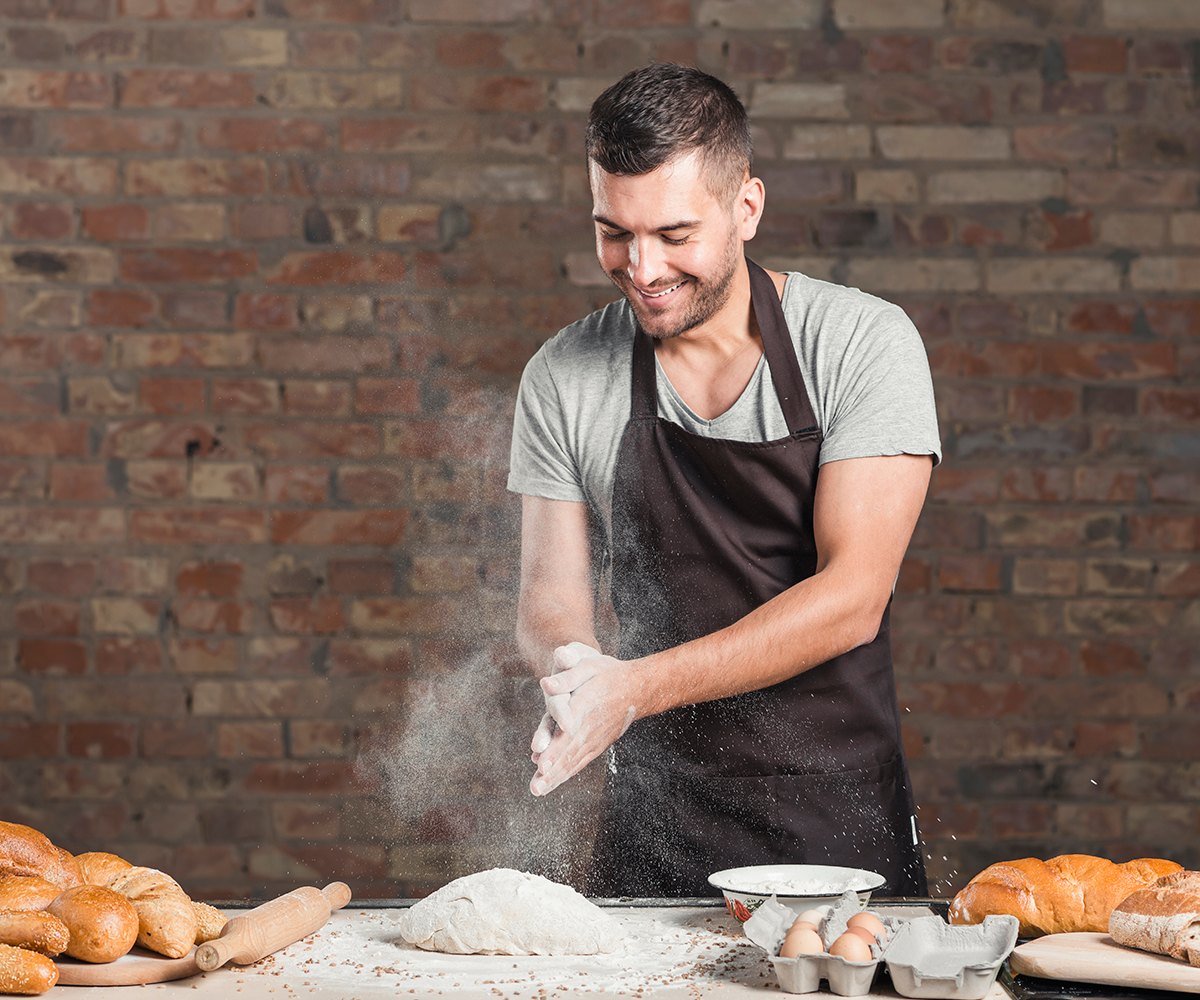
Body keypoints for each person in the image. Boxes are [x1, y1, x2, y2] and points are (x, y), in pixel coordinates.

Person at [507, 63, 941, 899]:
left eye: (674, 235)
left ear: (747, 207)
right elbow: (546, 602)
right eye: (613, 232)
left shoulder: (859, 345)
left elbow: (853, 595)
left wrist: (631, 689)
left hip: (831, 817)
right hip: (654, 823)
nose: (641, 267)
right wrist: (577, 680)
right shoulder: (564, 376)